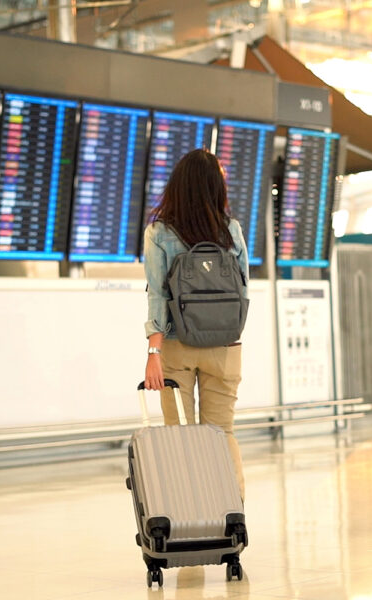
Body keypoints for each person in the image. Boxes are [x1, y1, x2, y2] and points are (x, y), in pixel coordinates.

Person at [142, 148, 250, 500]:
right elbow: (244, 287)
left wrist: (153, 352)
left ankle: (191, 542)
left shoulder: (159, 233)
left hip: (176, 346)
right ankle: (232, 526)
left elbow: (158, 295)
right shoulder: (231, 230)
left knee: (182, 439)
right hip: (225, 347)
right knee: (223, 435)